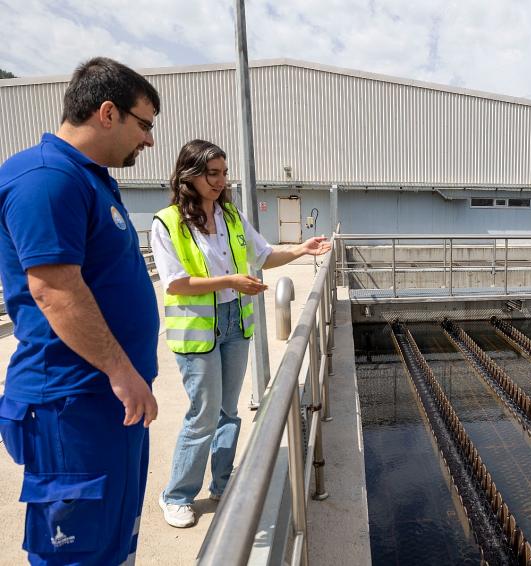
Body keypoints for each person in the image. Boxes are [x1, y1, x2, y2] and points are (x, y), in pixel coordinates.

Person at [0, 58, 160, 565]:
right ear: (108, 113)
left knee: (112, 540)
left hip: (109, 400)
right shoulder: (47, 179)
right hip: (73, 403)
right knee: (77, 553)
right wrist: (120, 370)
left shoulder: (88, 179)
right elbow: (55, 290)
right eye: (146, 123)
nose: (150, 140)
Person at [152, 139, 331, 528]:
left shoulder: (230, 216)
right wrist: (230, 280)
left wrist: (302, 248)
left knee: (227, 412)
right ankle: (177, 495)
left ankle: (221, 483)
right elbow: (176, 284)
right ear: (190, 176)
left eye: (223, 173)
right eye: (211, 174)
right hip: (198, 331)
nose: (220, 181)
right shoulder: (167, 222)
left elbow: (264, 255)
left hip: (235, 323)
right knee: (203, 415)